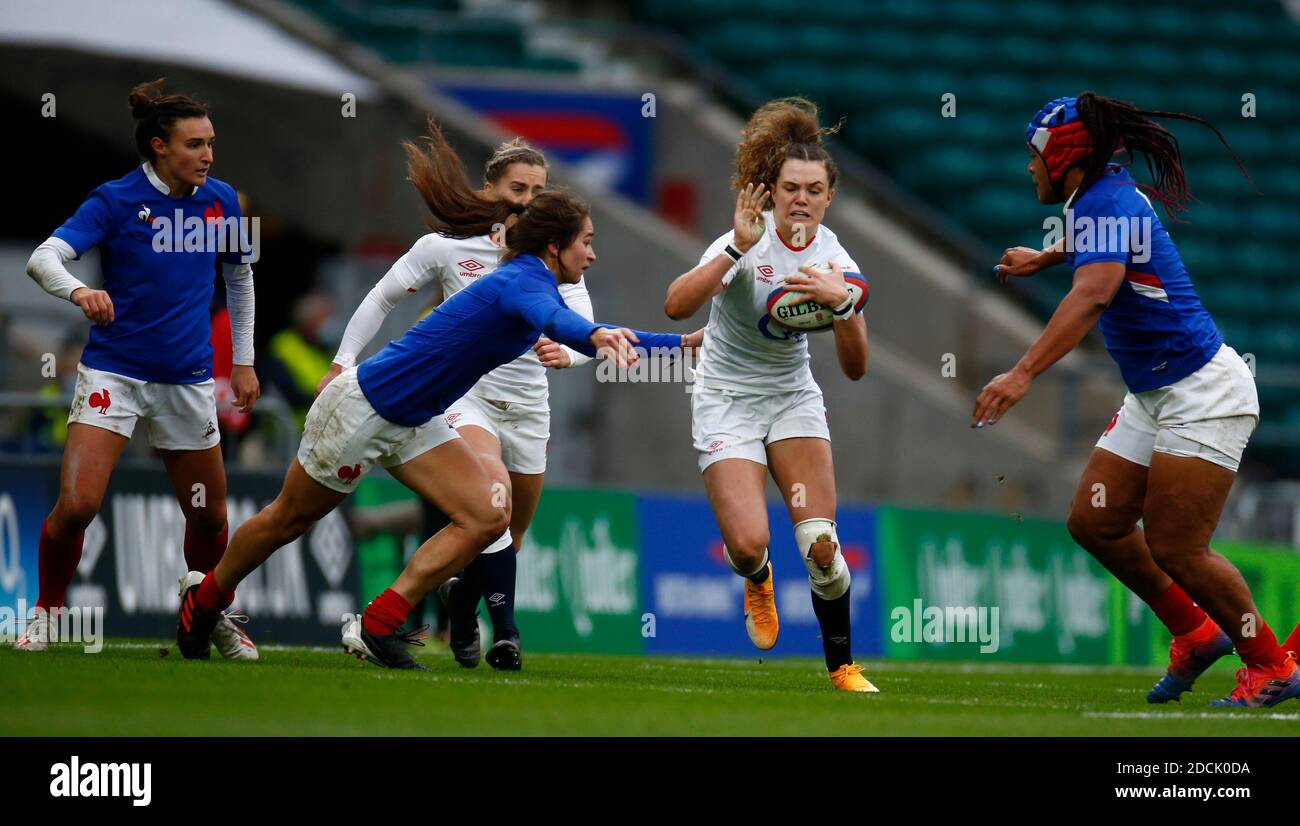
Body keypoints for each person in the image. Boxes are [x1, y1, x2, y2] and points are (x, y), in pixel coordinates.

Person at [175, 121, 699, 668]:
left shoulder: (533, 276)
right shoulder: (523, 280)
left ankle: (380, 623)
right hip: (366, 407)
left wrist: (682, 343)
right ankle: (206, 599)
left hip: (417, 418)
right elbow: (557, 322)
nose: (591, 256)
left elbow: (577, 326)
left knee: (487, 517)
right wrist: (590, 336)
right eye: (587, 243)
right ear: (554, 244)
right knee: (289, 519)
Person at [979, 92, 1299, 708]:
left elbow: (1095, 293)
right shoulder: (1102, 195)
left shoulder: (1106, 198)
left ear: (1065, 157)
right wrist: (1046, 256)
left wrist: (1022, 373)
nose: (1028, 167)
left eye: (1034, 155)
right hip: (1156, 391)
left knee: (1179, 548)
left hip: (1201, 392)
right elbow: (1105, 244)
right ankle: (1196, 633)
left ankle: (1273, 664)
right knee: (1095, 523)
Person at [317, 134, 592, 671]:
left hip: (529, 408)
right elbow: (381, 297)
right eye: (518, 188)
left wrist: (570, 355)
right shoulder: (447, 248)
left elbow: (587, 328)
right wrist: (343, 361)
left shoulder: (556, 258)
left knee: (508, 535)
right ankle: (507, 635)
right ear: (489, 190)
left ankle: (461, 602)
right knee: (493, 493)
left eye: (538, 191)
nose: (528, 200)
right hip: (468, 397)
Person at [18, 78, 259, 660]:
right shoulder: (115, 200)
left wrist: (245, 361)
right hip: (114, 376)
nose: (207, 155)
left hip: (187, 381)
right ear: (158, 146)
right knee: (77, 506)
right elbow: (42, 258)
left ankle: (209, 610)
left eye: (211, 143)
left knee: (209, 518)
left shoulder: (222, 201)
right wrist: (79, 293)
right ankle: (47, 613)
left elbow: (240, 279)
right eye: (194, 144)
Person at [663, 97, 876, 692]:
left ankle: (843, 668)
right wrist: (734, 247)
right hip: (726, 396)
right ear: (772, 192)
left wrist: (845, 309)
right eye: (790, 187)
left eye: (813, 188)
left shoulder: (835, 259)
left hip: (791, 400)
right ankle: (756, 577)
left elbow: (856, 369)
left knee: (822, 547)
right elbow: (676, 304)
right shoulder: (744, 240)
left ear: (829, 197)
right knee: (749, 540)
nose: (801, 198)